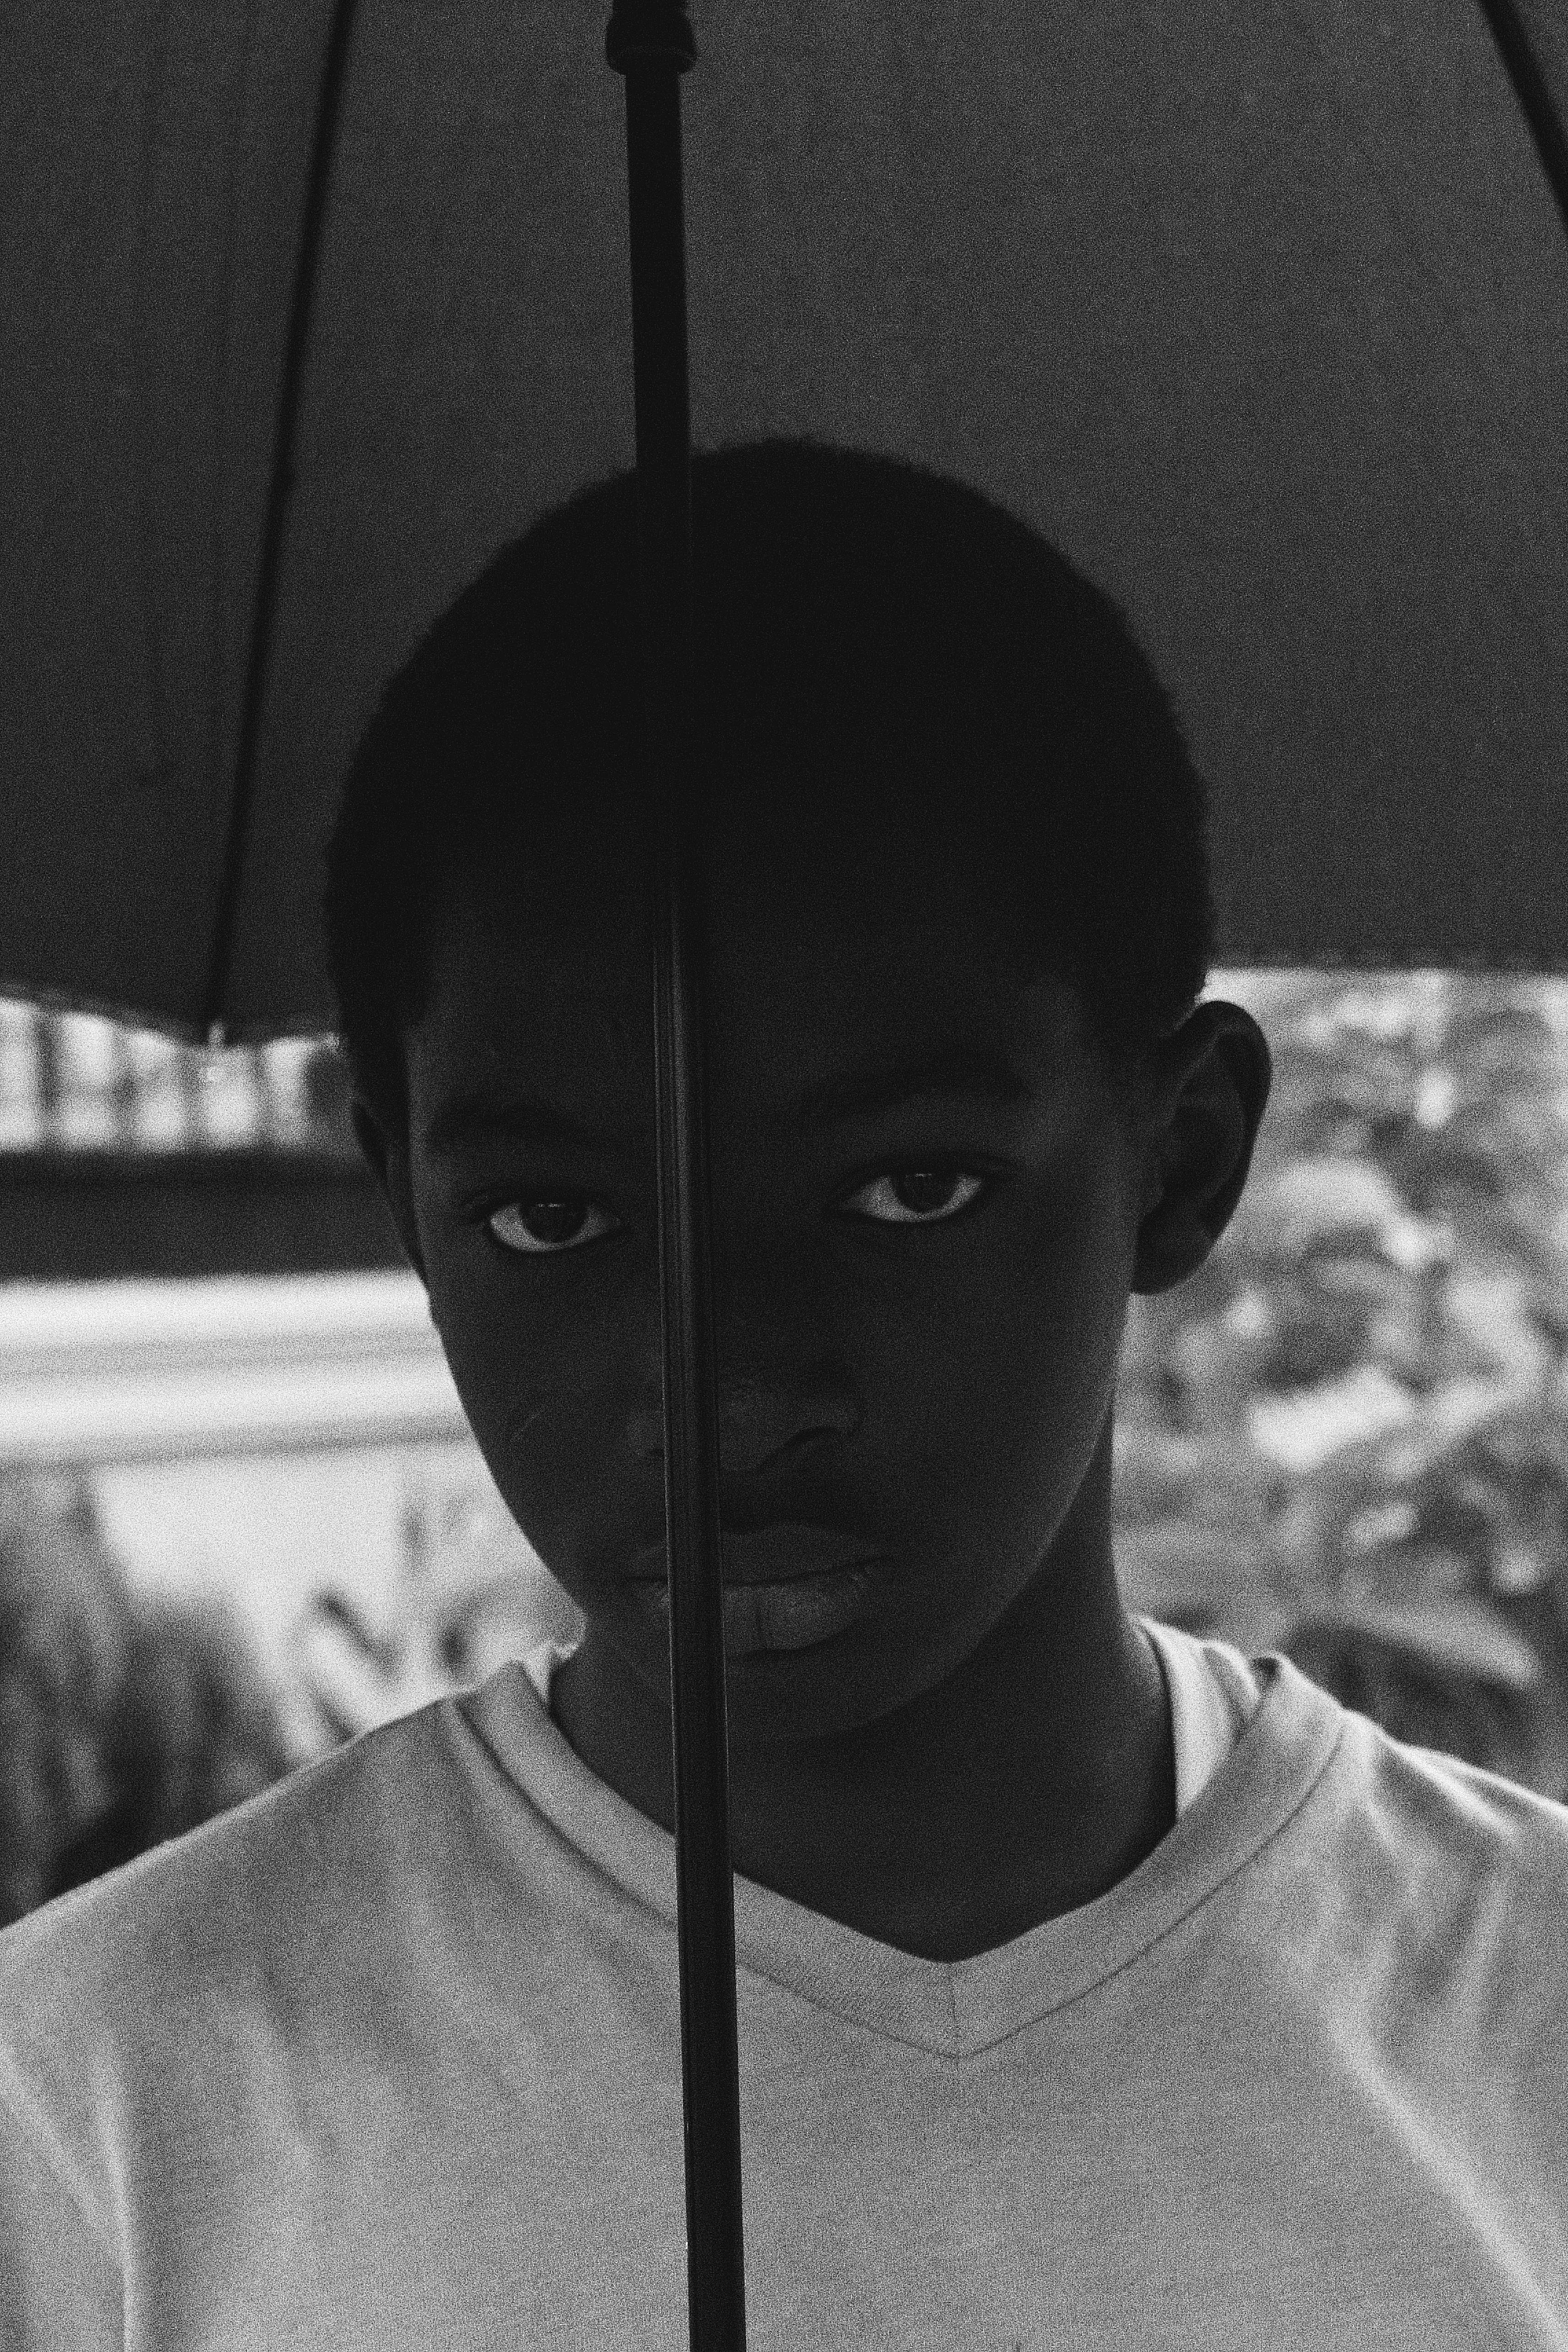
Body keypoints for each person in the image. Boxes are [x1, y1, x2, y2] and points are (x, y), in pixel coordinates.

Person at [2, 440, 1565, 2347]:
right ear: (404, 1195)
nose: (730, 1395)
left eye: (907, 1189)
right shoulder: (90, 2125)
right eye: (556, 1214)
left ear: (1183, 1155)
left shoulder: (1522, 2033)